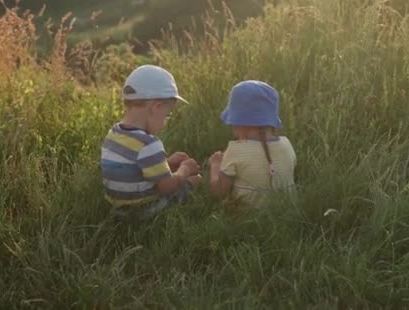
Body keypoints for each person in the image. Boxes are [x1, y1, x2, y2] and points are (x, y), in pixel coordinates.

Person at [101, 65, 201, 222]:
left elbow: (133, 170)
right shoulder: (148, 143)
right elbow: (167, 187)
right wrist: (184, 170)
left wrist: (165, 163)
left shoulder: (113, 134)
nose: (166, 121)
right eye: (167, 115)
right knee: (194, 181)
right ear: (157, 107)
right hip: (143, 212)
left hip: (117, 211)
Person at [209, 80, 296, 209]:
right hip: (286, 212)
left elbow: (219, 192)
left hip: (247, 216)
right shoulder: (286, 144)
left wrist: (215, 165)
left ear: (239, 123)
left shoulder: (236, 150)